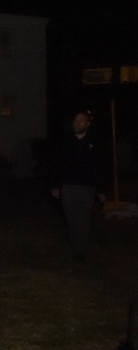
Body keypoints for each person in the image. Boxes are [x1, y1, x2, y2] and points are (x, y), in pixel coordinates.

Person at [50, 110, 107, 261]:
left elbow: (100, 167)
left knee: (83, 219)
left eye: (81, 121)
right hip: (68, 187)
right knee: (71, 219)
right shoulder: (65, 141)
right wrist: (55, 186)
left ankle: (79, 251)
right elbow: (57, 165)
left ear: (87, 124)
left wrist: (101, 190)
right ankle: (75, 244)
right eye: (76, 120)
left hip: (87, 187)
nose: (78, 123)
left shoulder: (94, 142)